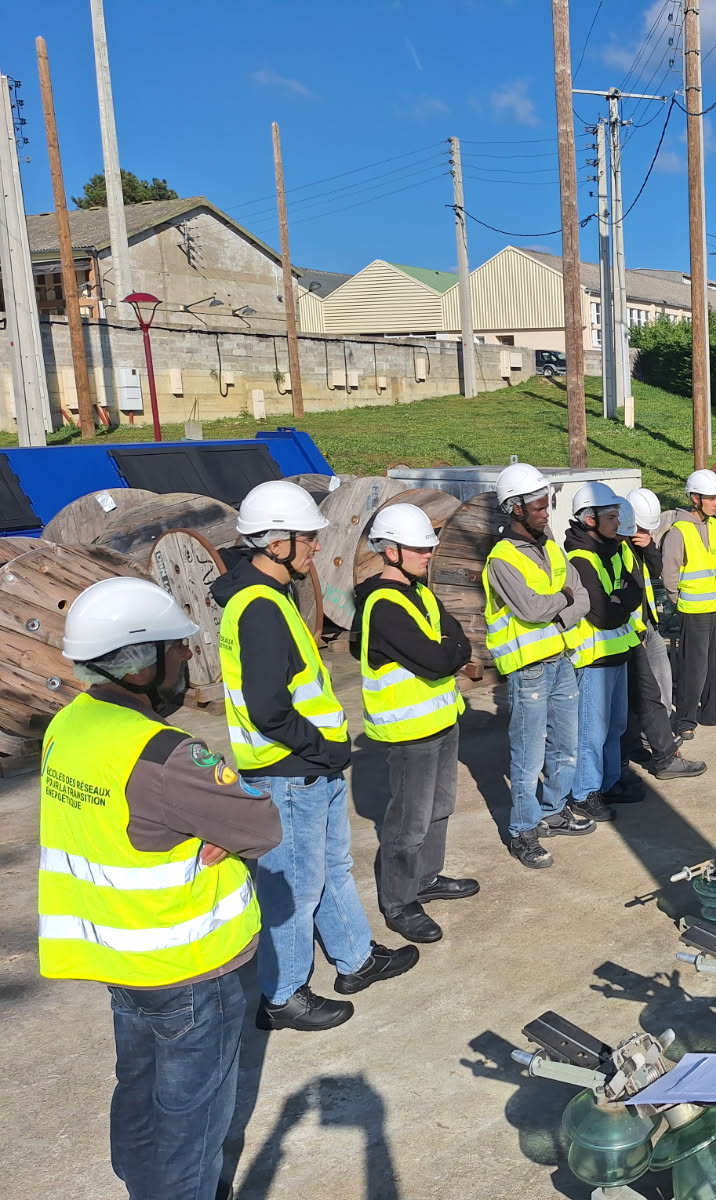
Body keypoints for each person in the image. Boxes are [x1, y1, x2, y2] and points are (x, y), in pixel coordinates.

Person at [38, 577, 281, 1200]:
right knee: (192, 1116)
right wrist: (222, 829)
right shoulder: (166, 754)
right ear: (142, 660)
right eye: (176, 651)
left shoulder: (69, 725)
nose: (183, 662)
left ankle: (142, 1184)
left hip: (121, 959)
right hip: (190, 968)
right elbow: (261, 822)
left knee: (140, 1086)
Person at [214, 479, 418, 1033]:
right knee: (295, 887)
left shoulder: (268, 595)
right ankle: (283, 996)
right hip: (290, 772)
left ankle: (354, 958)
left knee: (331, 869)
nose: (314, 549)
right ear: (275, 542)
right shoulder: (258, 608)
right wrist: (321, 745)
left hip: (308, 769)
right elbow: (266, 707)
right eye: (306, 539)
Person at [351, 503, 476, 945]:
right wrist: (450, 651)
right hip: (410, 734)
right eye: (419, 548)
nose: (429, 554)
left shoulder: (420, 592)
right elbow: (441, 656)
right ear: (390, 551)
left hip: (442, 720)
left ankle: (427, 878)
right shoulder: (384, 606)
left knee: (440, 808)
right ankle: (400, 901)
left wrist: (451, 649)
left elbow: (456, 637)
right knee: (408, 822)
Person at [483, 463, 593, 869]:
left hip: (561, 658)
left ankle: (553, 809)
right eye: (538, 504)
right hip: (529, 668)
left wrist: (562, 606)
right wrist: (564, 601)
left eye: (547, 502)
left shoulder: (550, 546)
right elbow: (529, 609)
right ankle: (523, 830)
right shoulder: (502, 558)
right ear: (514, 508)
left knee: (566, 747)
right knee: (528, 757)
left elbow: (581, 594)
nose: (546, 510)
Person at [565, 482, 644, 822]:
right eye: (611, 516)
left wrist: (621, 601)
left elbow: (635, 591)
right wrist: (619, 601)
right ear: (589, 519)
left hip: (617, 651)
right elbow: (601, 613)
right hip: (594, 658)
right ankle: (584, 792)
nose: (617, 522)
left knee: (615, 726)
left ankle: (608, 782)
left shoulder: (611, 551)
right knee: (592, 732)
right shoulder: (582, 558)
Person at [618, 492, 707, 780]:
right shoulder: (616, 548)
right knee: (648, 693)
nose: (644, 533)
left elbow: (655, 571)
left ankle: (654, 741)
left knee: (662, 682)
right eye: (641, 528)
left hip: (648, 624)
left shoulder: (640, 544)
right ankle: (660, 752)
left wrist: (650, 547)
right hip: (632, 630)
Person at [662, 468, 716, 738]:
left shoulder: (715, 526)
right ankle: (686, 720)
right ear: (695, 498)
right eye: (712, 498)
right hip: (693, 611)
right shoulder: (679, 532)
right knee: (694, 667)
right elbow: (670, 575)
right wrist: (681, 602)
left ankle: (714, 711)